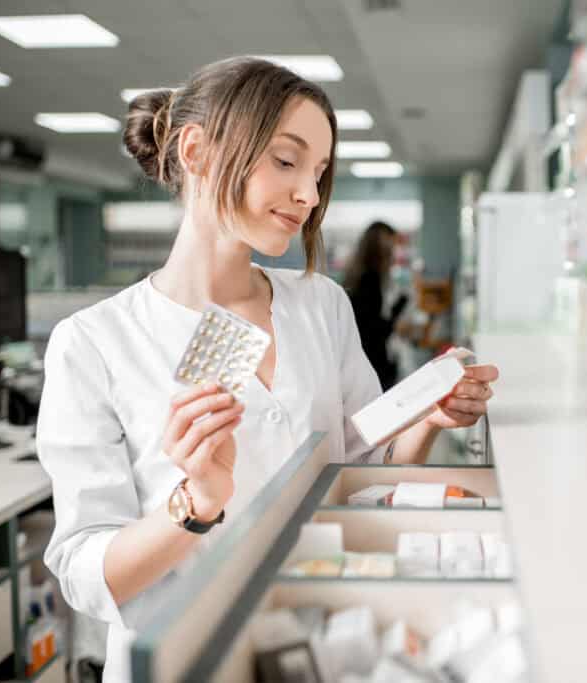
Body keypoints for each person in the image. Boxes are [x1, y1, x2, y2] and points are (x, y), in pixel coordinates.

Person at [35, 56, 498, 683]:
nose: (309, 194)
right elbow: (88, 577)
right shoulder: (92, 342)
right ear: (196, 151)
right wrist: (194, 503)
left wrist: (426, 417)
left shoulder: (321, 304)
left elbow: (359, 475)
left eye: (318, 172)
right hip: (186, 655)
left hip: (321, 635)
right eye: (287, 160)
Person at [343, 220, 409, 389]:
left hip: (363, 363)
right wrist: (401, 304)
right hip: (373, 366)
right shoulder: (370, 280)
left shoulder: (357, 275)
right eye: (391, 246)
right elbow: (378, 332)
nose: (393, 253)